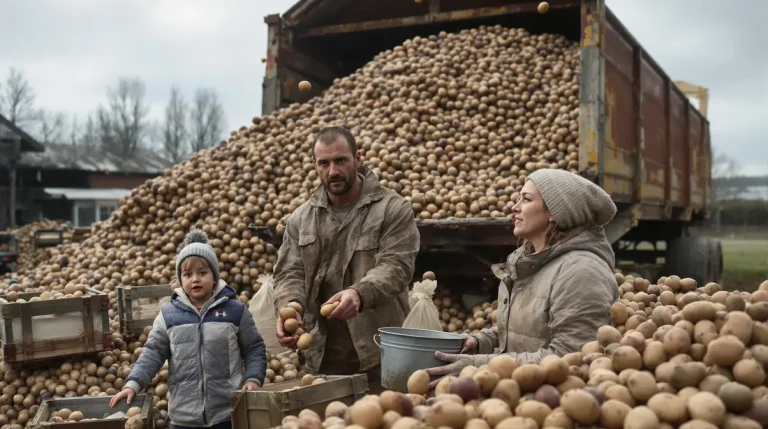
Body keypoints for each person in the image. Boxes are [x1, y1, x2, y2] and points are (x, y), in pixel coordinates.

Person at [424, 169, 620, 386]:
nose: (514, 207)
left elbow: (569, 357)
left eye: (526, 199)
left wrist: (477, 364)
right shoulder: (528, 262)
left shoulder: (581, 272)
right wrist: (481, 342)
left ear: (555, 212)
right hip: (517, 388)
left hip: (553, 400)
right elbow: (524, 334)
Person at [272, 126, 420, 394]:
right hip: (321, 357)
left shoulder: (392, 208)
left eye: (340, 160)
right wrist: (289, 306)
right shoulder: (301, 218)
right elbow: (289, 273)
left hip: (379, 355)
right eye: (324, 163)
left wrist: (359, 293)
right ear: (315, 166)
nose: (333, 171)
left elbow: (396, 266)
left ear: (358, 158)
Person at [110, 229, 267, 429]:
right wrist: (133, 384)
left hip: (228, 413)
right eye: (187, 274)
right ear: (180, 280)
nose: (195, 279)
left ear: (215, 276)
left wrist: (254, 379)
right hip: (183, 417)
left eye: (202, 273)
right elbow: (153, 352)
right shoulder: (168, 316)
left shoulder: (235, 311)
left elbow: (254, 347)